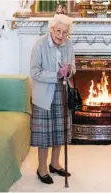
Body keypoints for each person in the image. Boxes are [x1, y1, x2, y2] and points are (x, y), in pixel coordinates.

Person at [30, 14, 76, 185]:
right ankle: (42, 168)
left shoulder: (68, 44)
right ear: (51, 29)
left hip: (62, 91)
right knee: (44, 134)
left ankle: (55, 164)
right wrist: (56, 74)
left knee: (60, 130)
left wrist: (69, 70)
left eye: (65, 32)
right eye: (58, 31)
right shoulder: (40, 44)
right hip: (44, 94)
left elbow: (73, 67)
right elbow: (34, 72)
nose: (61, 36)